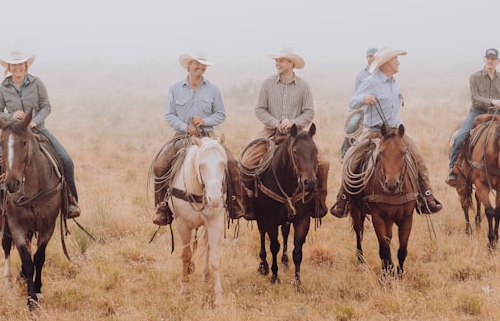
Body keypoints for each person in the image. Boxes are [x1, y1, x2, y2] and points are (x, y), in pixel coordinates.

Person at [330, 47, 443, 218]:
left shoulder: (393, 82)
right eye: (396, 59)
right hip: (374, 131)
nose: (398, 62)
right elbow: (352, 101)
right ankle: (343, 199)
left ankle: (426, 196)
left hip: (396, 131)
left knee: (418, 158)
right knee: (351, 160)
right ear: (387, 63)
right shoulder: (371, 81)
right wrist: (364, 99)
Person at [0, 50, 80, 222]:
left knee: (66, 160)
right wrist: (11, 116)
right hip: (13, 133)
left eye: (20, 64)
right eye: (14, 64)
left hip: (37, 129)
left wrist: (35, 121)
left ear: (25, 66)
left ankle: (70, 201)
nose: (17, 67)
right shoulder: (3, 87)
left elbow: (46, 106)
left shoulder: (37, 83)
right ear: (9, 67)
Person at [150, 52, 242, 226]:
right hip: (182, 136)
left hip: (209, 136)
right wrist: (185, 127)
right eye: (196, 65)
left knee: (231, 162)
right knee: (160, 165)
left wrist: (205, 120)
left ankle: (234, 202)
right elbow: (169, 114)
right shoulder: (175, 88)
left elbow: (221, 114)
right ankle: (162, 207)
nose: (200, 68)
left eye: (203, 66)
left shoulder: (213, 89)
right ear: (188, 67)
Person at [240, 47, 329, 220]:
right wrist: (276, 122)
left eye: (281, 60)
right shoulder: (267, 83)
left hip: (298, 135)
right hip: (270, 131)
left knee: (324, 163)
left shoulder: (303, 86)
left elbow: (309, 112)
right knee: (246, 162)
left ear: (291, 63)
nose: (277, 63)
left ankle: (319, 200)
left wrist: (293, 122)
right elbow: (259, 109)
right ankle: (248, 201)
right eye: (276, 60)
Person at [445, 48, 500, 187]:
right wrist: (492, 101)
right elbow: (475, 98)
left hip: (498, 114)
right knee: (460, 137)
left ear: (498, 61)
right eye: (488, 58)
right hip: (478, 112)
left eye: (493, 59)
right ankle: (452, 170)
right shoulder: (475, 77)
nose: (490, 61)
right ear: (484, 60)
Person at [341, 47, 377, 157]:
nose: (371, 59)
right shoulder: (361, 75)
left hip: (378, 110)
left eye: (373, 57)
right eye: (369, 56)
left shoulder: (382, 74)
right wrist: (364, 99)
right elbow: (355, 95)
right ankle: (345, 151)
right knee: (352, 125)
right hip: (362, 109)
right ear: (366, 58)